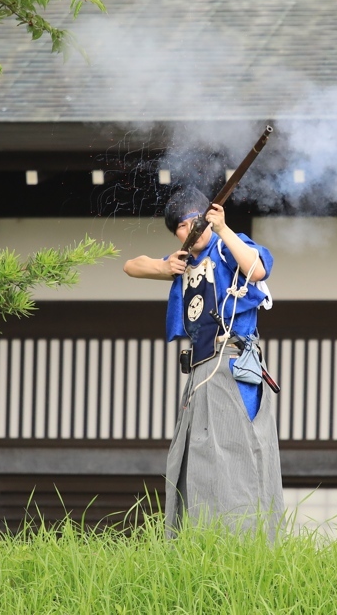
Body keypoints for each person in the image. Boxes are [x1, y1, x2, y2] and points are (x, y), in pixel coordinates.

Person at [123, 190, 283, 538]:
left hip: (233, 362)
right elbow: (130, 265)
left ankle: (246, 539)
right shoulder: (182, 261)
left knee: (238, 451)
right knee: (197, 456)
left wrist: (224, 229)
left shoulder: (227, 246)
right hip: (200, 369)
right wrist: (163, 266)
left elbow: (256, 269)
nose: (191, 229)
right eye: (182, 226)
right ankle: (203, 538)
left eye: (196, 220)